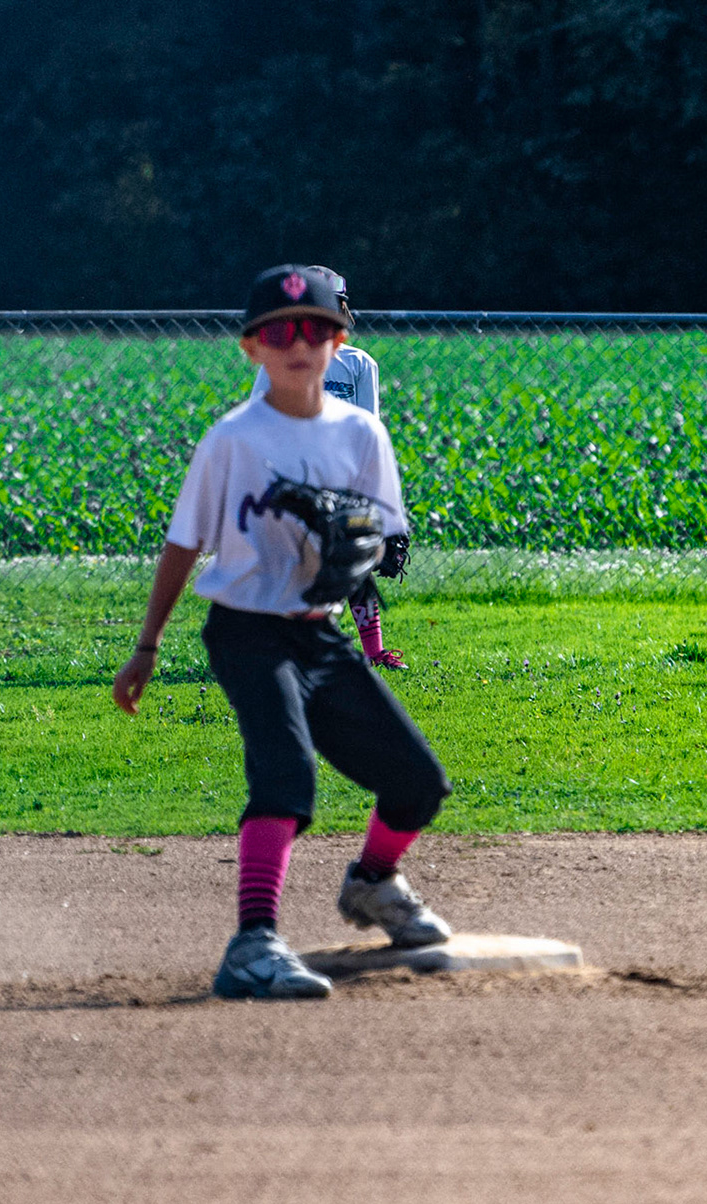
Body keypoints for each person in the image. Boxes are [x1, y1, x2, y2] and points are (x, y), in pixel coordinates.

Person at [112, 264, 454, 1000]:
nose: (299, 344)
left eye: (316, 329)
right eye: (280, 331)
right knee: (286, 776)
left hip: (319, 635)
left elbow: (374, 529)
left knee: (418, 782)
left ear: (340, 343)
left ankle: (373, 883)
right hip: (246, 631)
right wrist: (147, 645)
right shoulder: (234, 439)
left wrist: (364, 551)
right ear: (251, 347)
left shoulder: (361, 433)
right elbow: (183, 542)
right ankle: (253, 942)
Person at [250, 267, 410, 670]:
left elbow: (368, 428)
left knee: (354, 564)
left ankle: (373, 650)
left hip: (343, 479)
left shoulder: (360, 364)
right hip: (291, 477)